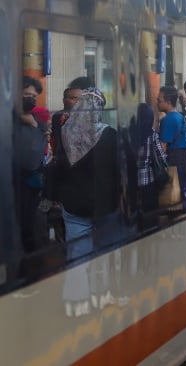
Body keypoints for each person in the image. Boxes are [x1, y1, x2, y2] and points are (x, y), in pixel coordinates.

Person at [56, 87, 119, 316]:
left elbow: (58, 166)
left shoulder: (64, 132)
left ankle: (76, 304)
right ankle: (100, 297)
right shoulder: (109, 135)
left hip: (72, 203)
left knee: (77, 255)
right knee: (103, 252)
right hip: (103, 204)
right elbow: (117, 171)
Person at [15, 76, 50, 253]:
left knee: (30, 233)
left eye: (34, 97)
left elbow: (34, 156)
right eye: (27, 95)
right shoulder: (8, 118)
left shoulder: (37, 121)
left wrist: (34, 125)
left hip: (30, 188)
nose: (32, 99)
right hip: (11, 186)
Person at [157, 85, 186, 200]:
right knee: (184, 194)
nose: (157, 103)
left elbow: (162, 147)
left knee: (173, 197)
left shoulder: (167, 120)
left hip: (174, 161)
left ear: (167, 101)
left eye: (159, 100)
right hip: (184, 160)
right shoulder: (182, 118)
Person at [135, 103, 167, 226]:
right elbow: (161, 155)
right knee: (150, 215)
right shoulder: (152, 134)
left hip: (132, 182)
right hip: (148, 180)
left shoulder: (128, 132)